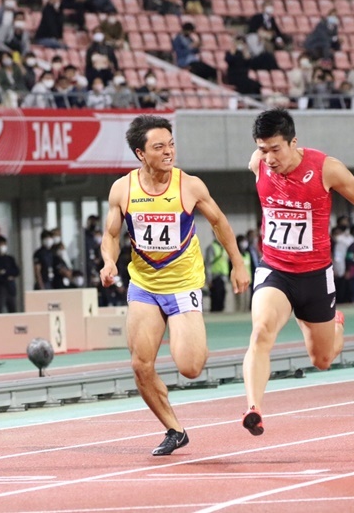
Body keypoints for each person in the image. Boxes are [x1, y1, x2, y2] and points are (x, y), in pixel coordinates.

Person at [241, 109, 354, 436]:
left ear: (294, 142)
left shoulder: (326, 168)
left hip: (314, 275)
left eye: (275, 149)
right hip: (275, 270)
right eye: (262, 149)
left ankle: (336, 322)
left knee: (322, 359)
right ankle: (254, 408)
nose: (268, 158)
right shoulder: (257, 164)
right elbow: (261, 160)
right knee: (261, 332)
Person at [99, 115, 250, 455]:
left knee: (190, 367)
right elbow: (110, 235)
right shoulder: (123, 188)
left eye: (171, 144)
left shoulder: (190, 185)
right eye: (159, 147)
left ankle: (186, 335)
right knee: (140, 365)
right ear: (141, 153)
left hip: (182, 285)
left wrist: (238, 264)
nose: (168, 152)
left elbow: (219, 222)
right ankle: (174, 428)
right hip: (144, 285)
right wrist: (109, 261)